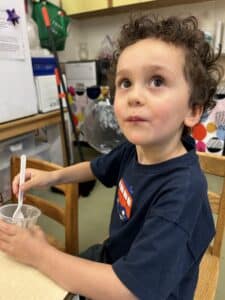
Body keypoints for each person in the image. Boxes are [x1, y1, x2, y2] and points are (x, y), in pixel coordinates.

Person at [0, 15, 223, 299]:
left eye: (156, 80)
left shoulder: (182, 193)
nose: (134, 96)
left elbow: (130, 289)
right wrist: (52, 176)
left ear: (193, 110)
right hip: (114, 258)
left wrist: (40, 255)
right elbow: (94, 167)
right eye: (126, 83)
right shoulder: (135, 150)